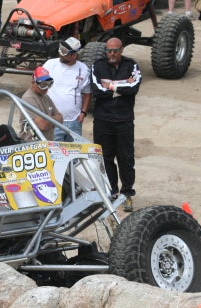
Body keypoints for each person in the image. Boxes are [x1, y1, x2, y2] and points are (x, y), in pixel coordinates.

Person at [91, 37, 141, 212]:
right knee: (105, 158)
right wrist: (121, 86)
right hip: (102, 120)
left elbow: (133, 87)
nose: (111, 54)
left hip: (124, 120)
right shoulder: (97, 65)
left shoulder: (131, 65)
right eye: (109, 50)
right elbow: (97, 89)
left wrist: (110, 86)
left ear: (122, 50)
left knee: (126, 158)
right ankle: (111, 192)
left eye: (115, 50)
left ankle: (126, 194)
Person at [42, 37, 91, 142]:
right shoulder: (50, 64)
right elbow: (38, 86)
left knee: (75, 154)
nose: (60, 53)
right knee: (54, 155)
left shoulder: (84, 70)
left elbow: (87, 93)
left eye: (64, 52)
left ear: (74, 55)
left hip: (74, 122)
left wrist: (83, 113)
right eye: (60, 49)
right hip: (53, 120)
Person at [20, 66, 63, 141]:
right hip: (31, 145)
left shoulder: (46, 97)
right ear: (33, 82)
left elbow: (61, 118)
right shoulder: (28, 98)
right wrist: (54, 121)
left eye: (49, 84)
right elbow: (43, 125)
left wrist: (48, 121)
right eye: (43, 84)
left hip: (46, 144)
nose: (46, 88)